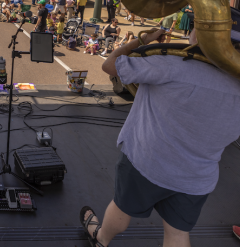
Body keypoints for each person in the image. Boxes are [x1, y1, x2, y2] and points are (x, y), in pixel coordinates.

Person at [82, 20, 240, 247]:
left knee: (121, 207)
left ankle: (101, 239)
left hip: (147, 162)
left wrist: (143, 40)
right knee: (177, 233)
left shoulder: (171, 65)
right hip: (197, 177)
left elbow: (110, 65)